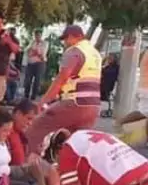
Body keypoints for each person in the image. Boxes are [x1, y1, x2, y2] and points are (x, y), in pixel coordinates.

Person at [24, 24, 103, 157]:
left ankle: (29, 163)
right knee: (76, 142)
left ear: (74, 36)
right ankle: (68, 170)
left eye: (66, 39)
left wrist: (43, 101)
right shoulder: (94, 54)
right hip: (93, 106)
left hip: (74, 103)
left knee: (36, 127)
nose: (65, 43)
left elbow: (62, 78)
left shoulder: (74, 51)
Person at [8, 100, 63, 185]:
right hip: (11, 170)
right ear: (18, 114)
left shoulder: (18, 131)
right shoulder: (7, 130)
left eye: (32, 120)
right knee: (38, 170)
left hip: (20, 166)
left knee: (50, 169)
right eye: (28, 118)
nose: (30, 123)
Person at [23, 32, 48, 99]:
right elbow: (26, 51)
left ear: (41, 36)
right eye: (36, 35)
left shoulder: (44, 43)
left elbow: (42, 54)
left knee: (37, 81)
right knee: (28, 80)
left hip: (40, 63)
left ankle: (33, 97)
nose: (37, 37)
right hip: (31, 63)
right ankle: (26, 96)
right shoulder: (32, 42)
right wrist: (32, 51)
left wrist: (34, 52)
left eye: (38, 35)